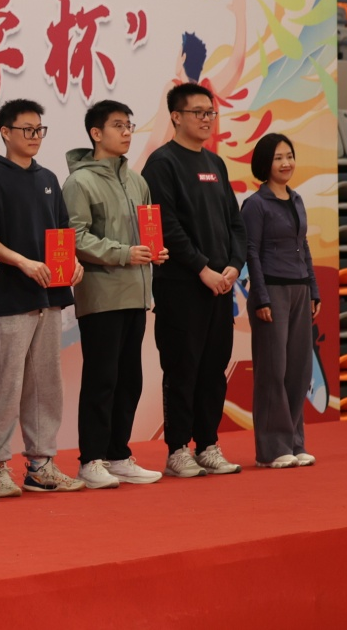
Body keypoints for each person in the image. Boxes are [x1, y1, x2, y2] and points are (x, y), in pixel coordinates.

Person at [0, 99, 85, 496]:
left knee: (45, 384)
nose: (35, 136)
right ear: (5, 132)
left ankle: (41, 464)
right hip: (6, 297)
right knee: (4, 385)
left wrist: (73, 262)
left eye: (39, 129)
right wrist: (20, 261)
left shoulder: (49, 178)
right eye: (27, 129)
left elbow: (63, 231)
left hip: (49, 296)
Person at [140, 82, 247, 478]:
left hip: (220, 286)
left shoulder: (215, 163)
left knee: (213, 369)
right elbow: (165, 226)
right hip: (182, 285)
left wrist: (234, 264)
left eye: (210, 113)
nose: (206, 119)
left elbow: (235, 223)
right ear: (176, 116)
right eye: (198, 112)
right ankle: (177, 449)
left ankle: (207, 444)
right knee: (182, 368)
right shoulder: (161, 164)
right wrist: (202, 268)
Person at [63, 100, 167, 489]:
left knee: (129, 379)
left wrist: (155, 250)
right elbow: (75, 237)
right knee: (101, 379)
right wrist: (124, 253)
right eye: (118, 125)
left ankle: (118, 455)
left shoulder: (137, 181)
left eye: (129, 125)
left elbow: (148, 230)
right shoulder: (79, 182)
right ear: (96, 133)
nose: (126, 132)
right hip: (101, 293)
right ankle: (91, 460)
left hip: (136, 292)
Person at [241, 133, 319, 468]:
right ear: (264, 164)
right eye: (278, 158)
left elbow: (304, 247)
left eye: (289, 156)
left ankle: (295, 442)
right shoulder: (255, 205)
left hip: (300, 290)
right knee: (273, 370)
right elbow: (251, 253)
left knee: (299, 371)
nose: (286, 163)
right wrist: (260, 297)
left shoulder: (297, 199)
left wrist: (314, 289)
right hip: (271, 291)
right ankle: (272, 449)